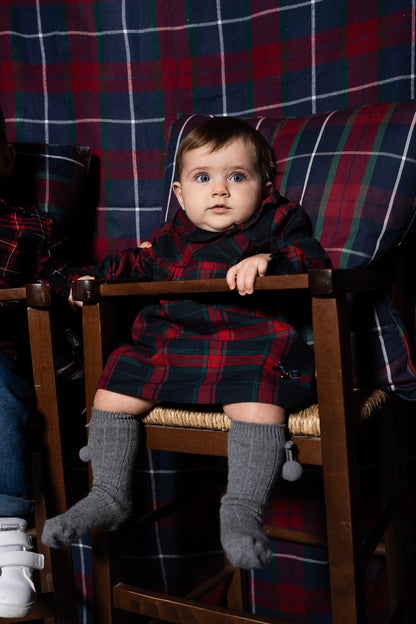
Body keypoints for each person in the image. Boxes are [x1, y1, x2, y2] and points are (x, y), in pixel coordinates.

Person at [42, 116, 329, 570]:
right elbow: (126, 265)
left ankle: (241, 508)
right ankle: (109, 492)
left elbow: (311, 256)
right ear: (179, 193)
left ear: (265, 186)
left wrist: (268, 259)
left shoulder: (278, 222)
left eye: (237, 177)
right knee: (115, 379)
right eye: (203, 178)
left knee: (260, 394)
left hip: (253, 347)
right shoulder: (167, 240)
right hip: (172, 347)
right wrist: (85, 279)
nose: (220, 190)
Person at [0, 107, 75, 618]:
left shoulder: (29, 222)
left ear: (4, 160)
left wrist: (119, 265)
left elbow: (61, 277)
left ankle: (8, 541)